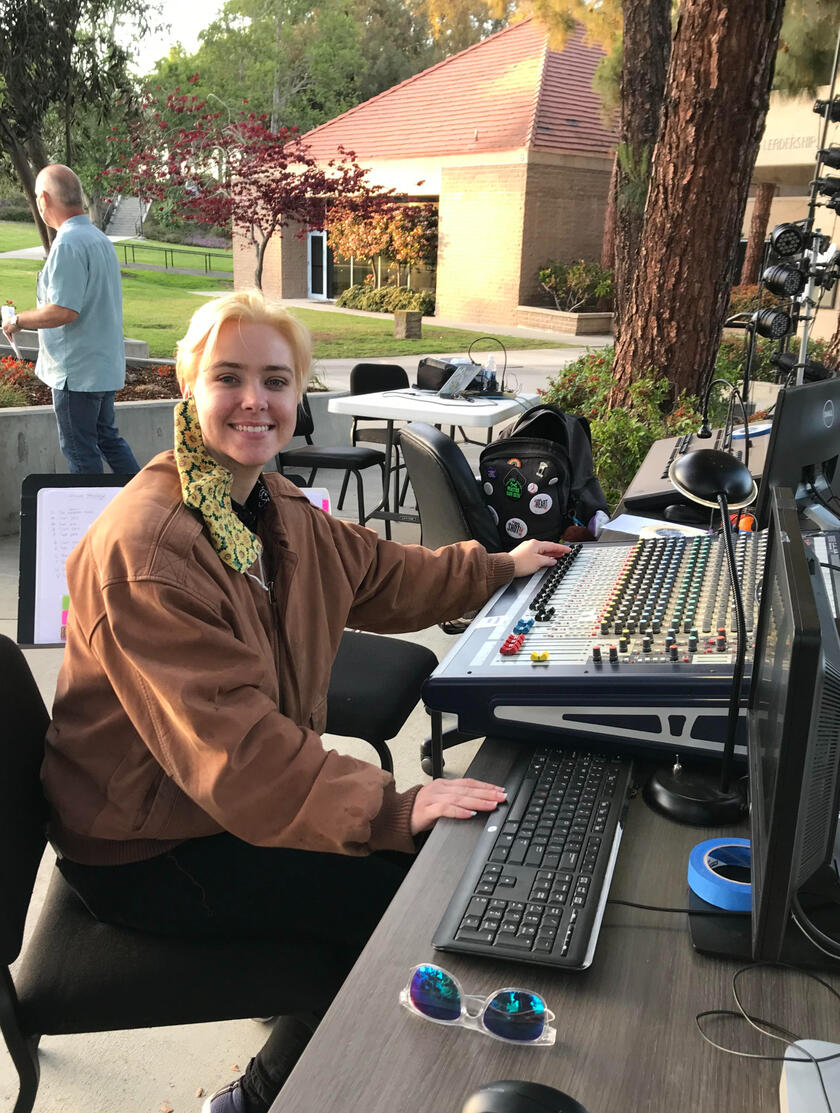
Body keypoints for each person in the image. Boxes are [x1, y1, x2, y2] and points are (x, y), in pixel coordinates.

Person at [42, 291, 567, 1113]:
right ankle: (253, 1100)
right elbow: (244, 758)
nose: (256, 400)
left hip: (217, 804)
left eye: (276, 380)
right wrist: (393, 807)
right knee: (402, 899)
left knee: (420, 864)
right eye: (229, 377)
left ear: (299, 397)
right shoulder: (148, 555)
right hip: (149, 844)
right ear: (189, 389)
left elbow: (390, 575)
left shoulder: (270, 505)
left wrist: (501, 565)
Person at [1, 164, 139, 475]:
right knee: (108, 440)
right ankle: (148, 508)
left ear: (44, 199)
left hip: (75, 373)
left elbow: (63, 311)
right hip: (102, 367)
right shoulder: (98, 239)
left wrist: (18, 320)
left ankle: (89, 521)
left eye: (37, 196)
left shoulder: (68, 243)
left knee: (80, 453)